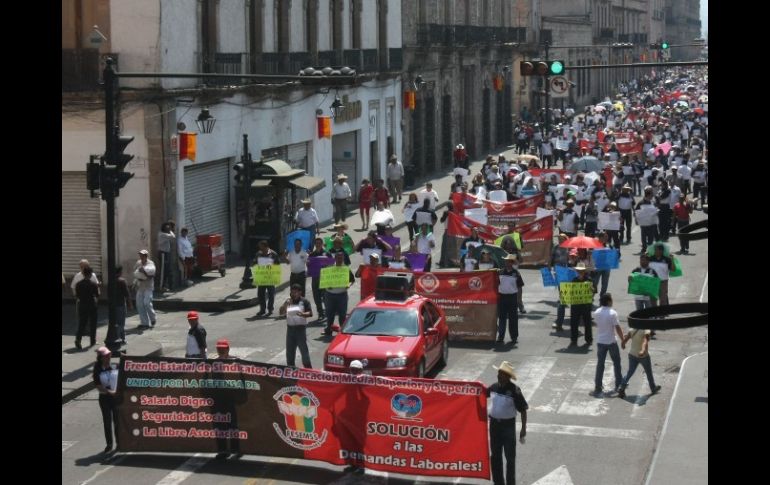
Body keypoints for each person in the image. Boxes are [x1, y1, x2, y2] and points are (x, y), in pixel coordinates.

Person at [486, 361, 528, 485]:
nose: (499, 375)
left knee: (510, 458)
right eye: (499, 372)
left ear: (508, 376)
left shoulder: (515, 390)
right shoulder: (493, 387)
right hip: (494, 426)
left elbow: (523, 410)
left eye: (502, 373)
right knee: (495, 456)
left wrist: (523, 429)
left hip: (508, 427)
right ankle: (498, 482)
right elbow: (481, 393)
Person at [592, 293, 625, 396]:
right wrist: (623, 340)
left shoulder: (596, 312)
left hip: (600, 341)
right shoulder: (612, 313)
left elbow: (597, 324)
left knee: (600, 364)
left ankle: (598, 385)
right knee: (617, 363)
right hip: (611, 341)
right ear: (609, 301)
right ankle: (619, 384)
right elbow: (617, 328)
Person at [617, 326, 662, 398]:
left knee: (630, 372)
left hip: (632, 354)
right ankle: (653, 388)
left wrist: (623, 344)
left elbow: (626, 339)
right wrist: (642, 350)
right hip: (643, 356)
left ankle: (622, 388)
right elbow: (645, 341)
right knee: (648, 372)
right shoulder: (646, 330)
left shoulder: (632, 329)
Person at [279, 284, 313, 368]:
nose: (293, 294)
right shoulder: (288, 301)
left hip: (300, 329)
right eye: (292, 292)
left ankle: (308, 368)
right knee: (290, 351)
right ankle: (291, 368)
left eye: (295, 292)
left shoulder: (304, 301)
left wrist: (302, 314)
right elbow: (281, 312)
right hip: (290, 329)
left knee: (303, 350)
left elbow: (310, 313)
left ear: (300, 292)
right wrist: (285, 304)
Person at [323, 250, 355, 337]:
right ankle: (328, 330)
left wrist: (348, 285)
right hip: (330, 294)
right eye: (338, 258)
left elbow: (352, 280)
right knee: (330, 313)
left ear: (343, 258)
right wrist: (327, 285)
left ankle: (342, 331)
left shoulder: (346, 269)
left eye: (341, 258)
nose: (340, 259)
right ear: (335, 258)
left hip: (342, 295)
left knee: (342, 314)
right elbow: (323, 280)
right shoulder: (329, 268)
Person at [93, 346, 119, 454]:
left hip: (115, 398)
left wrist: (125, 358)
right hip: (105, 398)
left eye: (109, 355)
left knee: (117, 421)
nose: (109, 357)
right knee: (107, 422)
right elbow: (98, 386)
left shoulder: (115, 366)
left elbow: (127, 368)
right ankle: (109, 444)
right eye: (106, 356)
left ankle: (119, 443)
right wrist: (109, 392)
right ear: (101, 358)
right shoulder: (97, 370)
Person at [497, 254, 523, 345]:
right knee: (502, 318)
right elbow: (496, 284)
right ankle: (500, 337)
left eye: (508, 261)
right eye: (506, 261)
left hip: (512, 297)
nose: (506, 262)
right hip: (502, 297)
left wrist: (519, 300)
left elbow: (520, 287)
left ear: (512, 263)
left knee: (513, 318)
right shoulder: (500, 272)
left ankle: (514, 337)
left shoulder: (516, 273)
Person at [569, 263, 595, 347]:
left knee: (587, 323)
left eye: (581, 271)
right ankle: (574, 339)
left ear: (584, 271)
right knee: (574, 322)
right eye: (579, 271)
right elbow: (570, 292)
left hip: (586, 305)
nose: (580, 272)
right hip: (575, 305)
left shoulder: (589, 280)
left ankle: (589, 339)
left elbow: (594, 291)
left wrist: (591, 288)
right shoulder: (574, 280)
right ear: (577, 271)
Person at [75, 266, 100, 350]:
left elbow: (77, 295)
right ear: (90, 274)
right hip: (92, 305)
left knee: (82, 323)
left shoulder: (78, 284)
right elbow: (97, 295)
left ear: (83, 274)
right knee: (93, 323)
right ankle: (92, 340)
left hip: (82, 305)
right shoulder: (93, 284)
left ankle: (78, 339)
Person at [255, 240, 280, 317]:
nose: (260, 248)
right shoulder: (258, 254)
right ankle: (262, 309)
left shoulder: (273, 254)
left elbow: (277, 264)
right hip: (262, 277)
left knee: (271, 294)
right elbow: (255, 263)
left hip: (270, 277)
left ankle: (270, 309)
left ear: (265, 246)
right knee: (260, 294)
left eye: (261, 246)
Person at [134, 249, 157, 329]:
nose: (141, 256)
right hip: (140, 286)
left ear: (146, 256)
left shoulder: (151, 264)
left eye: (143, 255)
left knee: (147, 303)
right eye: (140, 255)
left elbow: (152, 275)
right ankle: (144, 323)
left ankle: (153, 318)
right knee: (139, 304)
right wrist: (137, 279)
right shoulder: (138, 263)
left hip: (148, 287)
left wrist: (144, 272)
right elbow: (136, 273)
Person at [309, 237, 330, 320]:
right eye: (316, 243)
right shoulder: (312, 255)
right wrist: (308, 264)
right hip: (315, 278)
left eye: (319, 243)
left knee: (325, 297)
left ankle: (327, 312)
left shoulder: (326, 253)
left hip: (324, 278)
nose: (318, 245)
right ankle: (320, 313)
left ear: (322, 244)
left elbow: (331, 264)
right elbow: (309, 266)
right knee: (316, 297)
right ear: (315, 244)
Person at [114, 266, 132, 344]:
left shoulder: (111, 281)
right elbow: (127, 294)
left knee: (116, 322)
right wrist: (130, 304)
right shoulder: (122, 281)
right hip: (120, 304)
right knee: (121, 323)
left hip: (113, 305)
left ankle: (122, 337)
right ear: (120, 272)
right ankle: (118, 337)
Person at [156, 222, 176, 292]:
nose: (168, 229)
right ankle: (161, 287)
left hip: (166, 253)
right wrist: (170, 230)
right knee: (163, 271)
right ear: (164, 228)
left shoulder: (165, 235)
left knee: (166, 270)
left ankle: (164, 286)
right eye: (167, 228)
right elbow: (173, 237)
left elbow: (172, 239)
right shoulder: (162, 234)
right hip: (163, 253)